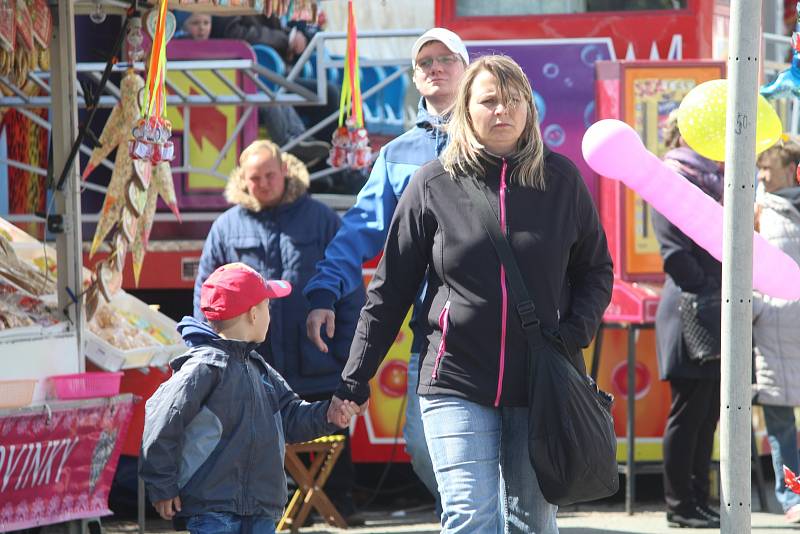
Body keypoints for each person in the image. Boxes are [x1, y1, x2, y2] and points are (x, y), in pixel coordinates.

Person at [328, 54, 613, 532]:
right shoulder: (431, 184)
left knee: (533, 521)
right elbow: (389, 291)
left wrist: (573, 334)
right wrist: (354, 382)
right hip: (454, 377)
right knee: (470, 514)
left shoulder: (562, 181)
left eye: (513, 100)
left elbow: (596, 270)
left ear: (529, 110)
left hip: (541, 382)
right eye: (489, 101)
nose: (502, 111)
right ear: (466, 109)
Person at [304, 27, 470, 516]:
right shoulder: (398, 155)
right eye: (424, 62)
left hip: (506, 327)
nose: (435, 67)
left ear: (466, 67)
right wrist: (324, 292)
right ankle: (472, 514)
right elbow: (359, 229)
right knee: (423, 447)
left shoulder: (495, 137)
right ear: (416, 79)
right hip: (436, 332)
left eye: (445, 58)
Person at [192, 141, 366, 523]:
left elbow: (352, 291)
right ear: (243, 179)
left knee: (332, 431)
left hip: (318, 359)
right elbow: (205, 297)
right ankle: (287, 513)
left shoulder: (320, 219)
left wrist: (347, 356)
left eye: (270, 175)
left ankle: (338, 507)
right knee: (266, 445)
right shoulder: (226, 227)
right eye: (254, 178)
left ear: (285, 171)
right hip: (258, 367)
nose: (264, 183)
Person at [140, 262, 360, 534]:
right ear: (253, 314)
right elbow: (161, 421)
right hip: (212, 509)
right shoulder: (203, 367)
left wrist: (328, 414)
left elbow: (290, 416)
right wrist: (163, 486)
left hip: (261, 507)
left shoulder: (260, 368)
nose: (270, 314)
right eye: (268, 307)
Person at [652, 110, 722, 529]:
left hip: (712, 308)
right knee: (688, 413)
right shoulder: (671, 180)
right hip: (689, 311)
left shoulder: (712, 181)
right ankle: (680, 505)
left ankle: (698, 499)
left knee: (708, 413)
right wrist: (713, 286)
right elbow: (674, 255)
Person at [753, 137, 800, 523]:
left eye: (769, 167)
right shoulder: (756, 211)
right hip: (774, 333)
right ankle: (792, 498)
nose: (762, 175)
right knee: (781, 423)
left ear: (791, 168)